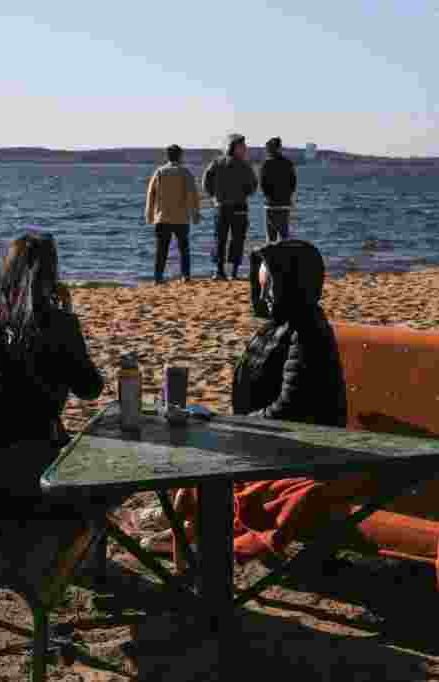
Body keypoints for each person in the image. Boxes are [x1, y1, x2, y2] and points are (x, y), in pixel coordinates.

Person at [164, 240, 364, 562]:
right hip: (278, 442)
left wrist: (236, 427)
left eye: (270, 286)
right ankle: (191, 526)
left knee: (206, 454)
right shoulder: (285, 325)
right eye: (261, 287)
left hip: (302, 449)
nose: (265, 295)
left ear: (291, 283)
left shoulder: (307, 333)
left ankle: (202, 533)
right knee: (198, 444)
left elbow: (291, 409)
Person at [0, 232, 105, 508]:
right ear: (51, 276)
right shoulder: (61, 324)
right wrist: (67, 312)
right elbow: (90, 389)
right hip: (33, 480)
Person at [202, 133, 258, 281]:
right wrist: (244, 194)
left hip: (221, 207)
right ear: (236, 147)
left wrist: (213, 195)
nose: (245, 148)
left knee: (220, 239)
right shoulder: (245, 165)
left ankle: (219, 271)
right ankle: (234, 272)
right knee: (237, 240)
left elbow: (206, 182)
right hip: (239, 207)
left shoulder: (216, 163)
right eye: (243, 146)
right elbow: (253, 185)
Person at [145, 144, 201, 283]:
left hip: (162, 217)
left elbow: (151, 194)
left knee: (161, 250)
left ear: (167, 156)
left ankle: (158, 278)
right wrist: (195, 213)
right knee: (184, 249)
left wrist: (149, 214)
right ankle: (185, 276)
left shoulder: (159, 171)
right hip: (181, 218)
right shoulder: (185, 172)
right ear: (180, 156)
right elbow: (193, 195)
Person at [259, 137, 297, 242]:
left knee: (271, 239)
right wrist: (287, 195)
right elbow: (293, 183)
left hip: (271, 205)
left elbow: (263, 184)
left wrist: (269, 196)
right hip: (284, 205)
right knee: (284, 236)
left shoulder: (266, 164)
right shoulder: (288, 163)